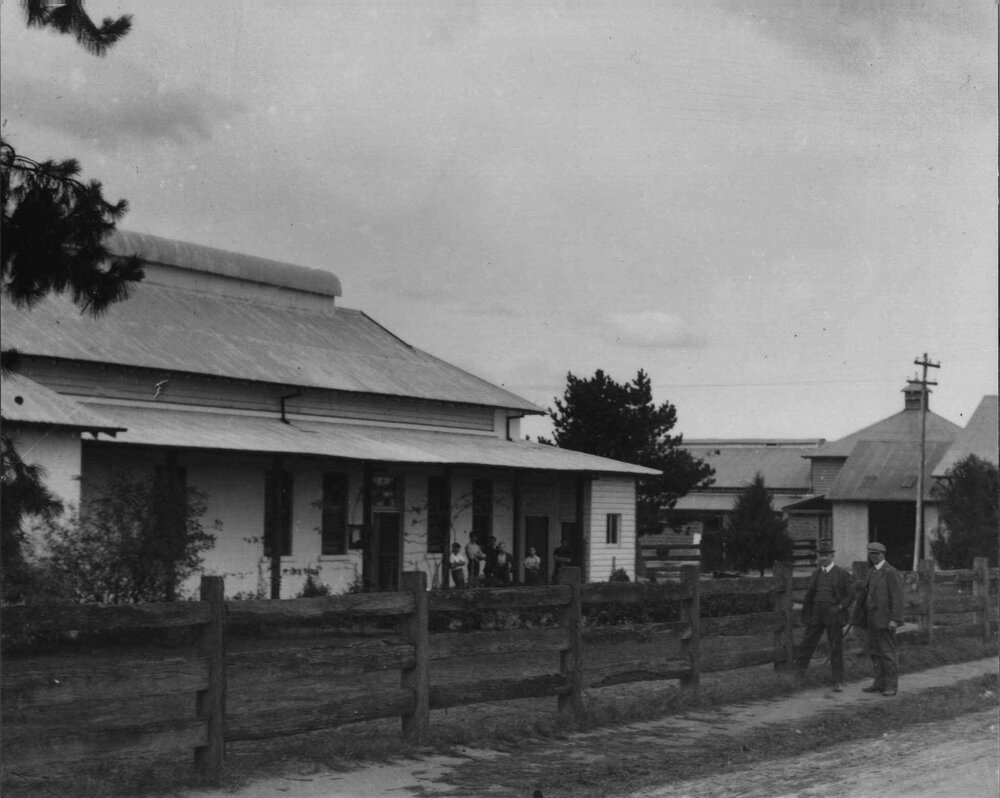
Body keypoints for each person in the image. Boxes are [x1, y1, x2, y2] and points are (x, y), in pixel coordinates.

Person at [793, 541, 854, 691]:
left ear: (832, 556)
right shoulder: (816, 573)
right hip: (817, 612)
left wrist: (840, 607)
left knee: (835, 646)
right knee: (807, 643)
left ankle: (837, 681)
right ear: (818, 556)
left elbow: (851, 595)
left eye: (826, 555)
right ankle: (797, 677)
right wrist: (808, 611)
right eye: (821, 555)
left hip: (833, 613)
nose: (824, 558)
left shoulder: (842, 574)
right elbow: (810, 595)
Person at [857, 541, 904, 696]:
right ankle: (879, 683)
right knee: (875, 652)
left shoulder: (890, 572)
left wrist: (895, 619)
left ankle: (891, 686)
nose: (874, 557)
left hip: (885, 620)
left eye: (876, 554)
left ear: (883, 554)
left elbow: (897, 598)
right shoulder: (871, 572)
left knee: (888, 653)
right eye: (871, 554)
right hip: (872, 619)